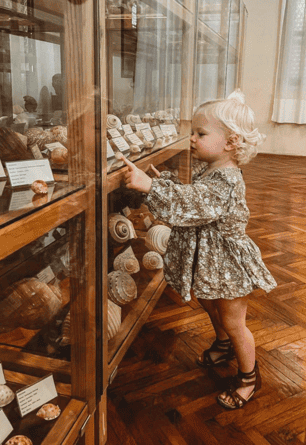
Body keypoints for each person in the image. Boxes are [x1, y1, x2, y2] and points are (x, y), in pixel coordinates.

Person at [118, 89, 277, 410]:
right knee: (208, 302)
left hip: (227, 263)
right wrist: (165, 182)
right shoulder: (212, 170)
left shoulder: (228, 180)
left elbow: (193, 203)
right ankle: (223, 344)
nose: (191, 139)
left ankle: (248, 377)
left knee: (234, 322)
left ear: (230, 142)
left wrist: (151, 187)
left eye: (200, 133)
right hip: (208, 261)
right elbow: (193, 192)